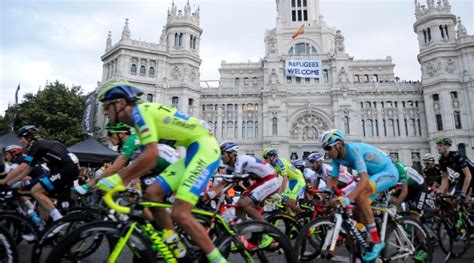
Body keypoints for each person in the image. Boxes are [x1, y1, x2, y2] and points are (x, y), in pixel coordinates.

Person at [94, 82, 225, 263]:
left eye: (107, 107)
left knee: (180, 213)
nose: (106, 113)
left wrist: (117, 179)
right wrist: (124, 180)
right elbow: (147, 160)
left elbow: (151, 154)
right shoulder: (138, 121)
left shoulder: (140, 113)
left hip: (205, 148)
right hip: (191, 151)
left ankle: (219, 261)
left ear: (120, 103)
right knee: (152, 194)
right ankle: (177, 248)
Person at [320, 129, 399, 261]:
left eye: (328, 148)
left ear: (339, 145)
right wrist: (322, 196)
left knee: (360, 196)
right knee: (357, 209)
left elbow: (363, 180)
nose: (326, 152)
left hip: (388, 172)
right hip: (374, 176)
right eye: (324, 149)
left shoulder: (353, 150)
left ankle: (376, 240)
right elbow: (333, 180)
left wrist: (347, 198)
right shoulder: (336, 158)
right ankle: (369, 234)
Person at [0, 125, 80, 223]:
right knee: (43, 195)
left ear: (29, 138)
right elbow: (28, 169)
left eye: (21, 138)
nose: (20, 142)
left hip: (66, 169)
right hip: (70, 169)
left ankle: (58, 222)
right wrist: (10, 183)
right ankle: (43, 225)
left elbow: (22, 167)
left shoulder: (36, 146)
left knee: (36, 191)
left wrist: (3, 181)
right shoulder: (42, 146)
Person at [214, 142, 279, 247]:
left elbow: (234, 180)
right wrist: (210, 194)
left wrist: (215, 192)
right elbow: (224, 182)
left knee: (245, 203)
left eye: (223, 153)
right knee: (239, 204)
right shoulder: (229, 166)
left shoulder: (240, 160)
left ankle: (268, 235)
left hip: (270, 179)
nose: (221, 156)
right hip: (260, 181)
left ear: (231, 154)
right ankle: (240, 237)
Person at [263, 148, 306, 214]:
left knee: (291, 203)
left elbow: (284, 179)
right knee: (286, 203)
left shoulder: (279, 163)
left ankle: (306, 215)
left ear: (272, 157)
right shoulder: (273, 165)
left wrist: (279, 194)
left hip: (298, 180)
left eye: (266, 158)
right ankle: (292, 219)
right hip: (292, 181)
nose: (265, 160)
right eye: (264, 158)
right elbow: (273, 179)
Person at [435, 136, 473, 202]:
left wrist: (463, 192)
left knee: (467, 200)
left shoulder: (457, 155)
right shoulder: (441, 159)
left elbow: (468, 175)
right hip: (463, 177)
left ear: (447, 146)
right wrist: (441, 191)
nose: (438, 147)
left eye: (440, 145)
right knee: (456, 200)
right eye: (437, 145)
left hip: (469, 175)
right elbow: (445, 178)